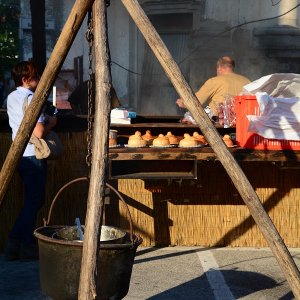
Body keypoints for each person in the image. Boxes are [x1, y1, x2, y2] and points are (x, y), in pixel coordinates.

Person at [5, 61, 57, 260]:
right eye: (35, 76)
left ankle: (15, 244)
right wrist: (51, 122)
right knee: (35, 201)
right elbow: (39, 131)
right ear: (26, 80)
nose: (39, 79)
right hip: (33, 154)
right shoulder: (32, 98)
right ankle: (23, 244)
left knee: (31, 201)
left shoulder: (11, 97)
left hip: (19, 155)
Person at [176, 56, 250, 118]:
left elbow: (196, 101)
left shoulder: (215, 81)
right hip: (244, 126)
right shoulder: (247, 81)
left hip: (220, 126)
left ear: (219, 68)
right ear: (232, 68)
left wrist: (183, 102)